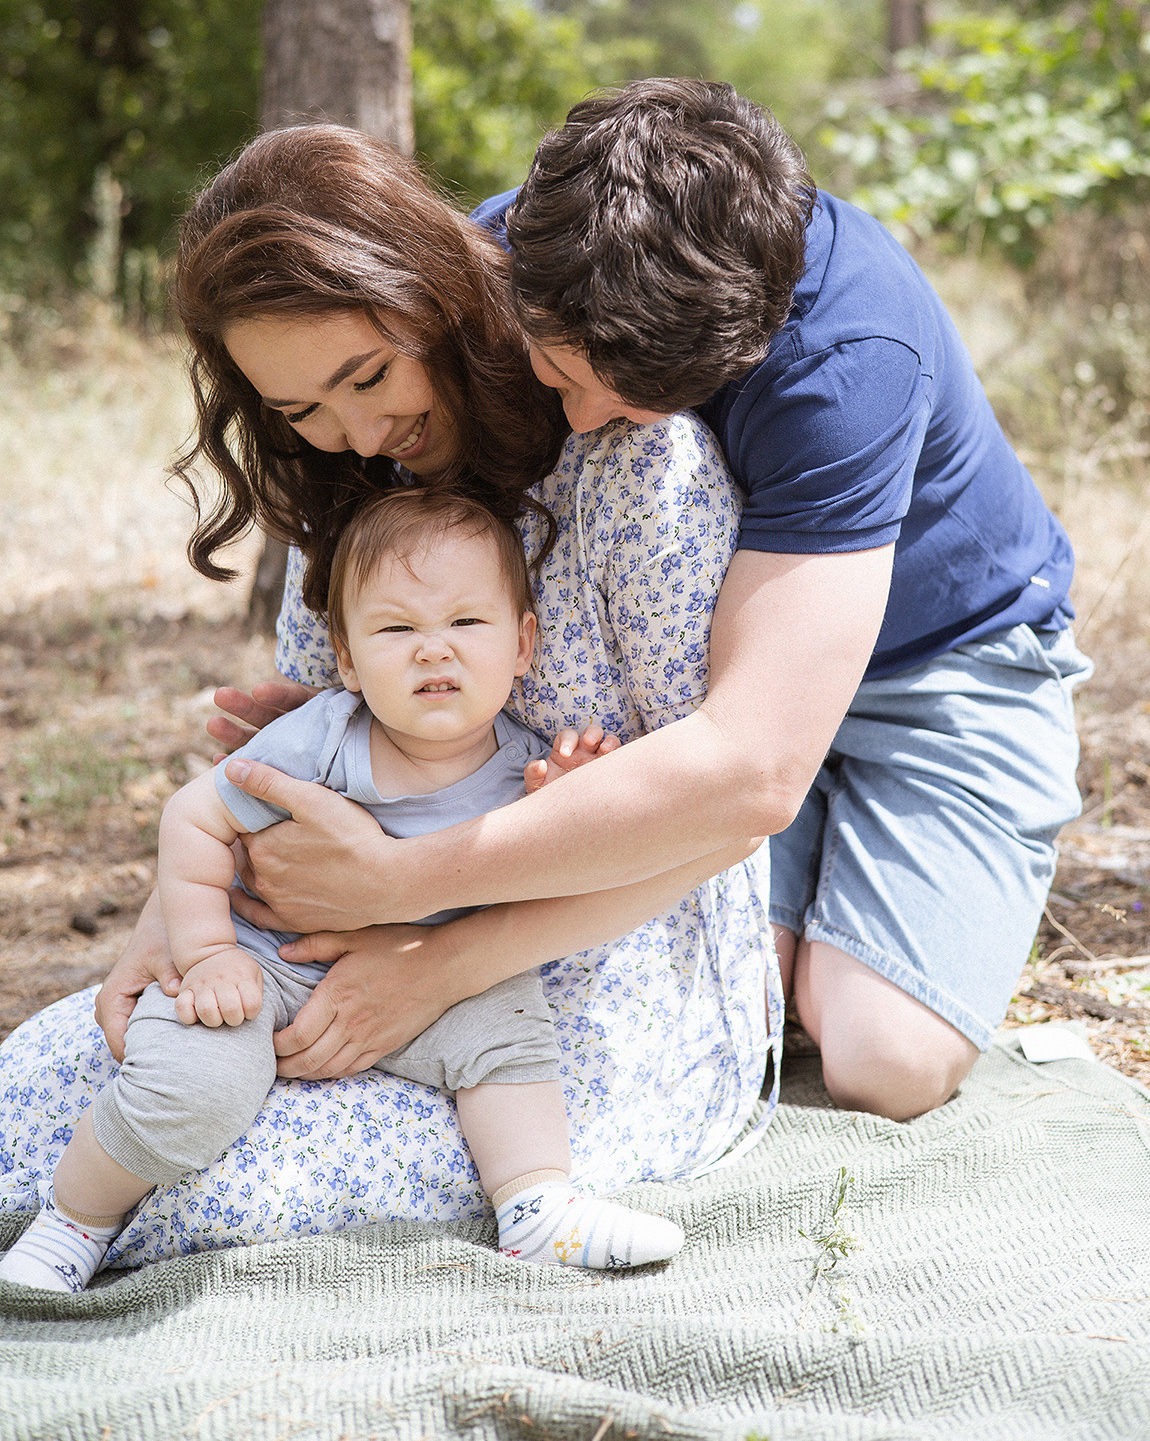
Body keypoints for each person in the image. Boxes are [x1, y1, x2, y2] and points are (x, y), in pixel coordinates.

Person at [0, 124, 774, 1269]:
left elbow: (717, 810)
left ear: (437, 297)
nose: (358, 434)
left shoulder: (634, 463)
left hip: (572, 958)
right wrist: (166, 936)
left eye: (367, 376)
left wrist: (439, 959)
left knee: (236, 1188)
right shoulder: (357, 491)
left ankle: (535, 1207)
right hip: (314, 947)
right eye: (303, 410)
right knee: (50, 1100)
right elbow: (280, 787)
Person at [0, 490, 685, 1291]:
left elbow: (579, 861)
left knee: (509, 1027)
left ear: (524, 643)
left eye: (467, 623)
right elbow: (194, 816)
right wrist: (209, 950)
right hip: (269, 958)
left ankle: (537, 1207)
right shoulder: (322, 735)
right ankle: (73, 1224)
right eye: (398, 629)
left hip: (424, 970)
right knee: (192, 1080)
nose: (435, 651)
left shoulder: (527, 765)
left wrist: (573, 798)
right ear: (349, 658)